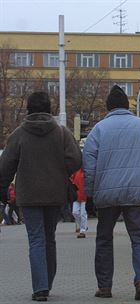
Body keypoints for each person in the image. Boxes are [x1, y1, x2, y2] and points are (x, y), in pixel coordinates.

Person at [83, 85, 140, 301]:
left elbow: (89, 167)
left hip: (106, 196)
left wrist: (90, 195)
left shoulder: (98, 130)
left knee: (103, 240)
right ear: (127, 106)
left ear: (108, 107)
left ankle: (104, 287)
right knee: (139, 239)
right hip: (137, 194)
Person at [0, 91, 82, 302]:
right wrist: (59, 170)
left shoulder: (19, 134)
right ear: (49, 109)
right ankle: (47, 282)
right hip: (55, 193)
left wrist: (3, 189)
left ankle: (40, 288)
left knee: (36, 239)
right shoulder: (61, 133)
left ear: (29, 109)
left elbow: (6, 166)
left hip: (28, 195)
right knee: (49, 239)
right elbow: (75, 160)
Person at [71, 168, 88, 238]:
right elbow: (71, 179)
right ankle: (83, 226)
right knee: (74, 212)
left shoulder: (86, 172)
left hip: (84, 196)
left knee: (82, 214)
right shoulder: (76, 171)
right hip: (76, 195)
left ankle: (82, 231)